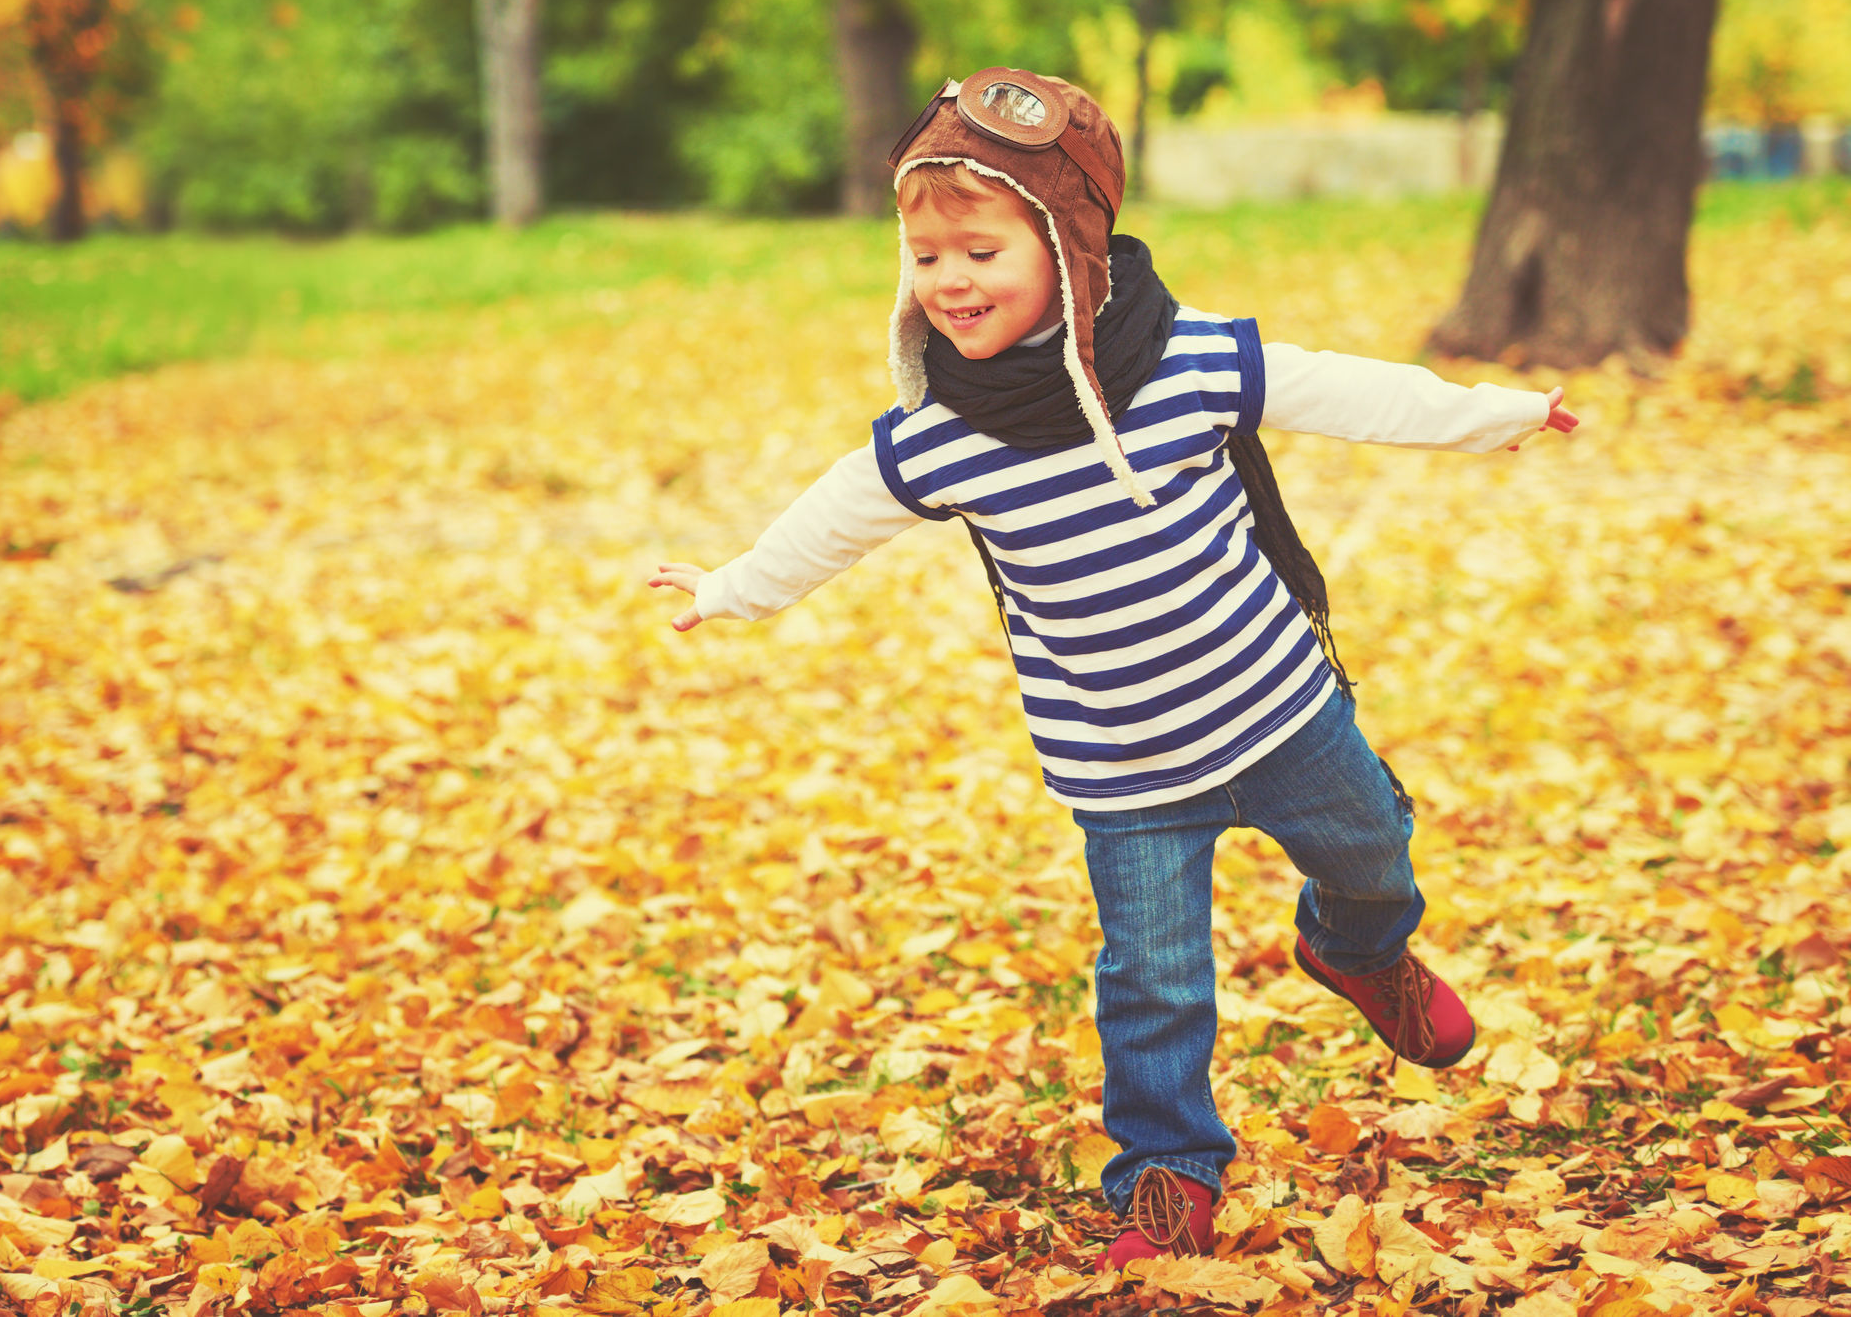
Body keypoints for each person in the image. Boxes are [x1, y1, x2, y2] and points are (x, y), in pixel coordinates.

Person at [646, 69, 1577, 1270]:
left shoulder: (1185, 364)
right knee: (1153, 984)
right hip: (1123, 766)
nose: (949, 281)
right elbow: (835, 514)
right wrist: (731, 587)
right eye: (925, 258)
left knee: (1375, 858)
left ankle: (1357, 949)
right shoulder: (942, 435)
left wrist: (1494, 412)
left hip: (1281, 710)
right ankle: (1167, 1173)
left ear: (1064, 242)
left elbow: (1344, 389)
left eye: (978, 250)